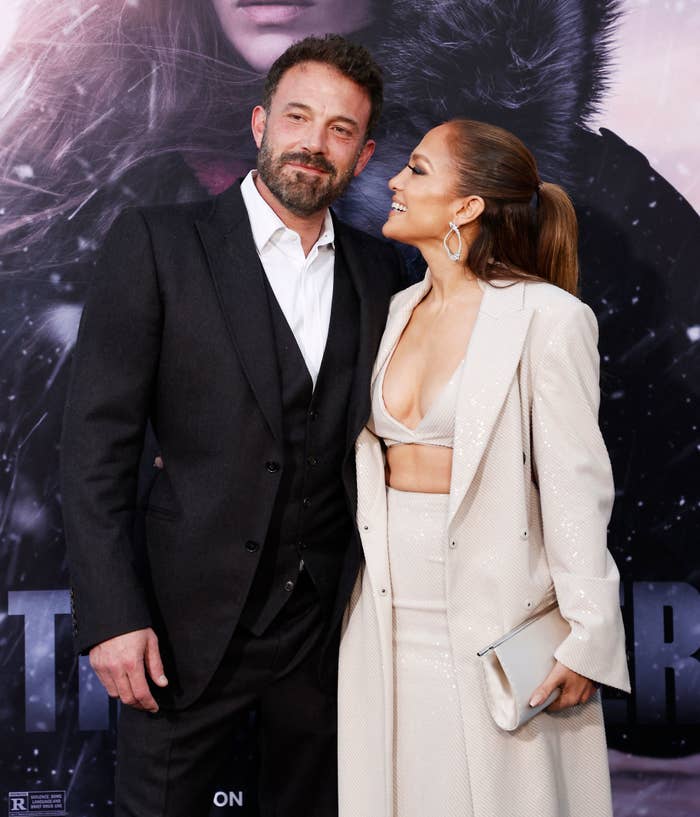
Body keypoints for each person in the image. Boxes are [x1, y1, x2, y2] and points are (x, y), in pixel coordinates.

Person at [60, 34, 404, 817]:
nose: (314, 144)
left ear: (363, 151)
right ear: (259, 123)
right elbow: (94, 453)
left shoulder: (382, 272)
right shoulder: (156, 244)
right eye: (298, 117)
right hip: (180, 632)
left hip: (324, 637)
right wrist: (113, 617)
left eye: (340, 129)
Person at [337, 119, 631, 817]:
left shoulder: (547, 318)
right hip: (379, 617)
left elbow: (575, 485)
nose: (395, 183)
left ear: (467, 206)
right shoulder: (392, 310)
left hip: (491, 621)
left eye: (416, 170)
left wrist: (588, 633)